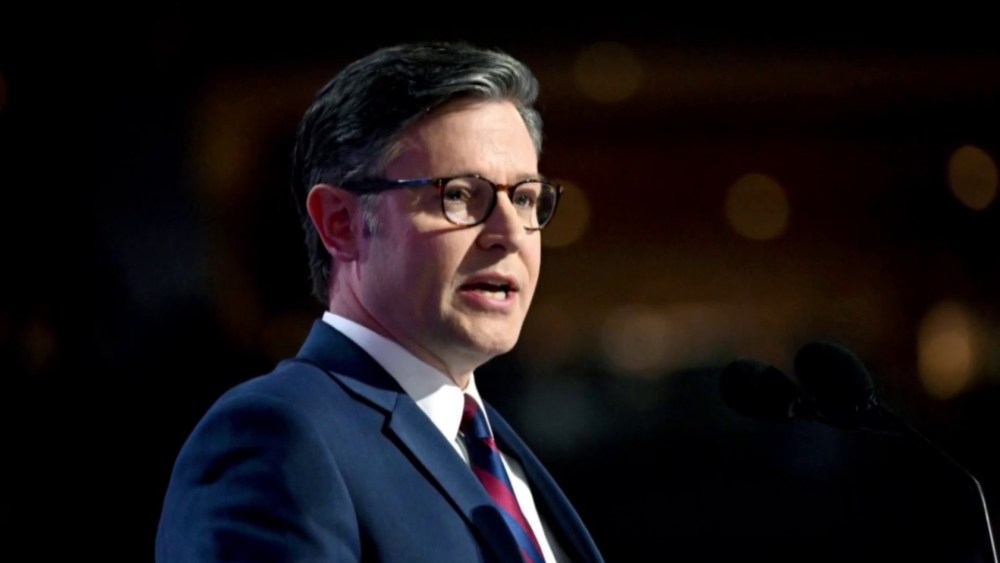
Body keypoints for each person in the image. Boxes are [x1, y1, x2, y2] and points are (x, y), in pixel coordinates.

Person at [155, 41, 605, 563]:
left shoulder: (504, 457)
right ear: (341, 223)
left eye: (524, 197)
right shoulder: (276, 438)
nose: (509, 232)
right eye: (459, 195)